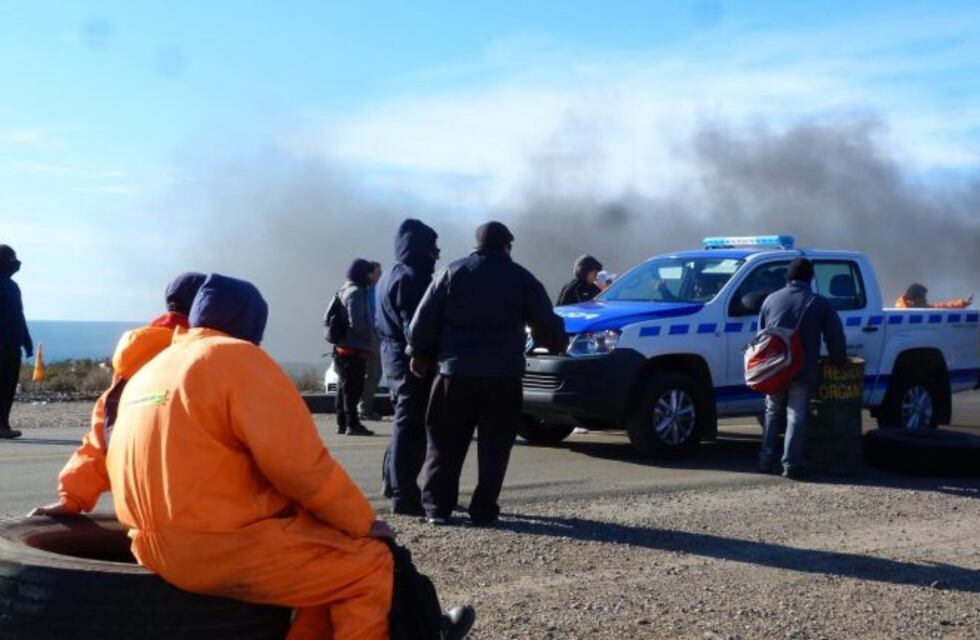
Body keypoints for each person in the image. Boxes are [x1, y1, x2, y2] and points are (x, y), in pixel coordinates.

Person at [96, 273, 472, 640]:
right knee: (368, 567)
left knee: (324, 573)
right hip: (217, 544)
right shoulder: (236, 359)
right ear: (251, 322)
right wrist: (362, 522)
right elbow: (300, 466)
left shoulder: (151, 368)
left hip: (148, 543)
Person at [408, 221, 566, 526]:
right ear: (506, 246)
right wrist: (558, 343)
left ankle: (437, 508)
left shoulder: (451, 272)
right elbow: (546, 323)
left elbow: (423, 319)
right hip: (502, 379)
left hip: (454, 375)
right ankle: (482, 510)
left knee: (444, 442)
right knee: (495, 448)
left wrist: (419, 354)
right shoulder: (521, 278)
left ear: (477, 244)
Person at [30, 273, 206, 516]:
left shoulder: (133, 359)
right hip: (199, 508)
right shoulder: (206, 356)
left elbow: (101, 433)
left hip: (138, 510)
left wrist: (71, 498)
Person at [758, 258, 847, 479]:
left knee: (772, 412)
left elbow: (761, 335)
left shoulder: (771, 299)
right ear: (811, 278)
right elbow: (835, 338)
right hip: (801, 369)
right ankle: (791, 465)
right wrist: (839, 360)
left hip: (774, 369)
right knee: (795, 415)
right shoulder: (819, 303)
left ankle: (765, 460)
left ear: (788, 276)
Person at [376, 220, 440, 516]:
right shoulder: (412, 278)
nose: (436, 254)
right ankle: (404, 495)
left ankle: (393, 483)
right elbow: (415, 325)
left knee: (402, 423)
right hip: (411, 360)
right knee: (411, 427)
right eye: (432, 248)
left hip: (393, 356)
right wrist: (422, 355)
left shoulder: (389, 274)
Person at [333, 259, 378, 436]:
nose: (370, 277)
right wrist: (372, 335)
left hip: (343, 348)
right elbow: (358, 324)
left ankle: (342, 423)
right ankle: (353, 424)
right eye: (368, 273)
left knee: (344, 388)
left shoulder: (343, 290)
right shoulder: (356, 293)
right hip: (354, 349)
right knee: (353, 389)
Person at [0, 245, 33, 439]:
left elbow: (18, 317)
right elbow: (15, 317)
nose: (16, 262)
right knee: (4, 387)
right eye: (12, 259)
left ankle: (2, 425)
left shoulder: (11, 286)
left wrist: (26, 342)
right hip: (4, 346)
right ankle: (1, 425)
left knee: (6, 387)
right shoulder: (7, 286)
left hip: (11, 344)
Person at [359, 261, 384, 421]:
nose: (380, 275)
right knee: (372, 373)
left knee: (374, 374)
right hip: (370, 339)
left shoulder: (376, 290)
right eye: (377, 272)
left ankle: (364, 407)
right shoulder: (366, 292)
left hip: (376, 337)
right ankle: (364, 408)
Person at [895, 283, 972, 309]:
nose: (925, 299)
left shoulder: (913, 308)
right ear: (914, 299)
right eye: (923, 297)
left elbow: (941, 307)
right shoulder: (907, 314)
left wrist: (962, 303)